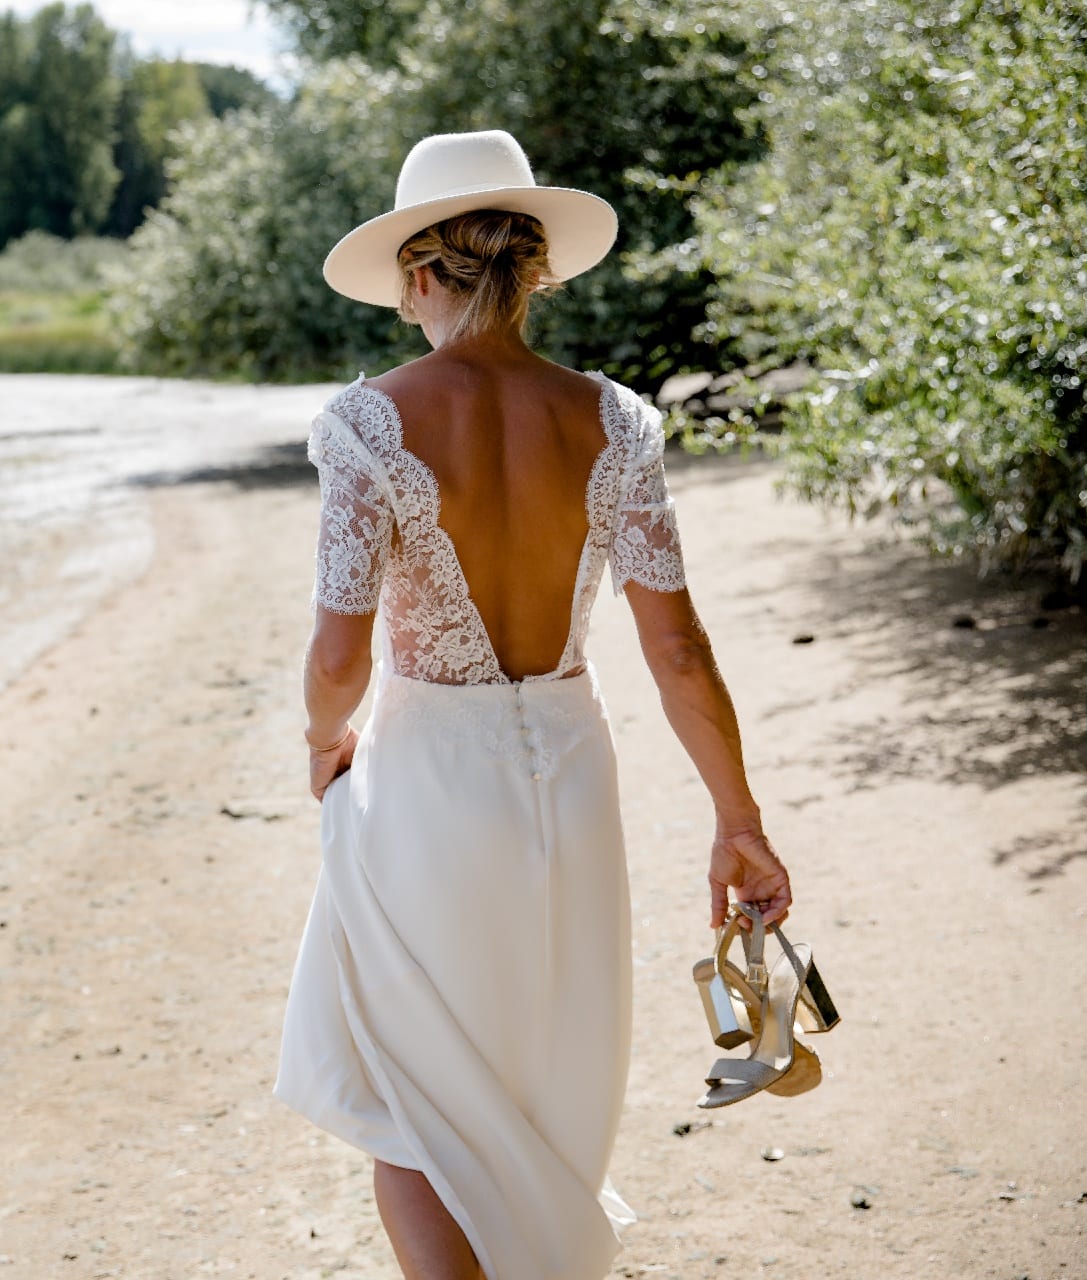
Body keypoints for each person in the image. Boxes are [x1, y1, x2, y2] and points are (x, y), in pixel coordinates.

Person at [270, 129, 794, 1280]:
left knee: (413, 1092)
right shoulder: (617, 423)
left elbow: (336, 655)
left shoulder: (369, 423)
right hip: (570, 768)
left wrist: (323, 745)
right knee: (547, 1068)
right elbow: (681, 650)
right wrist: (737, 817)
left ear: (418, 273)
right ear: (536, 270)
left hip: (426, 786)